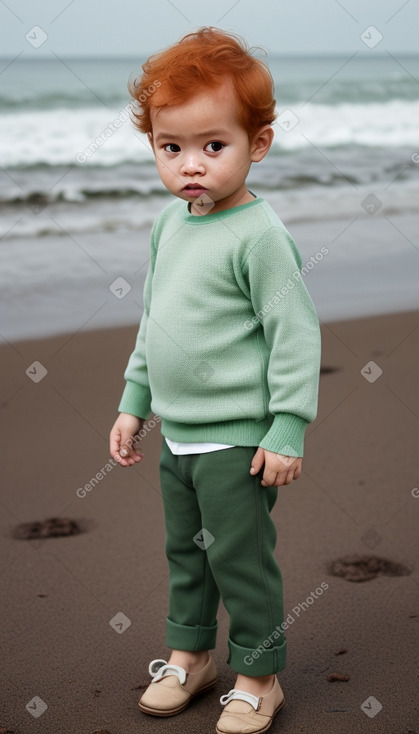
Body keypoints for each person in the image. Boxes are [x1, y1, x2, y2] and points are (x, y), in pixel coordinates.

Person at [109, 26, 321, 734]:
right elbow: (153, 324)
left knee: (239, 559)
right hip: (178, 435)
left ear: (256, 143)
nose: (189, 166)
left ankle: (258, 676)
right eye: (171, 149)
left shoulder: (259, 235)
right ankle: (190, 656)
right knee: (186, 555)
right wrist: (132, 405)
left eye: (213, 146)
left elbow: (294, 334)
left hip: (238, 441)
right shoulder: (170, 227)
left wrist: (286, 426)